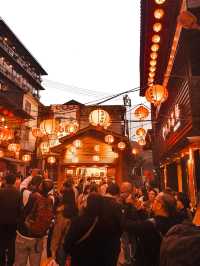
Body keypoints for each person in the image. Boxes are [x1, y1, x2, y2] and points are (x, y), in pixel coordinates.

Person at [122, 192, 179, 266]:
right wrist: (140, 210)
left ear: (159, 205)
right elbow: (146, 222)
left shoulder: (151, 225)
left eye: (155, 200)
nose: (153, 202)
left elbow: (125, 224)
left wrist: (128, 204)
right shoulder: (173, 222)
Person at [15, 179, 54, 266]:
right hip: (39, 237)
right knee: (35, 263)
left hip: (24, 235)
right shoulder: (51, 200)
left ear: (40, 186)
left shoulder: (32, 196)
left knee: (20, 263)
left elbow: (24, 214)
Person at [0, 174, 21, 266]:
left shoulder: (1, 192)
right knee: (11, 243)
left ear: (5, 181)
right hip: (13, 222)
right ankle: (10, 262)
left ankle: (1, 262)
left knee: (1, 242)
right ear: (14, 181)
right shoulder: (18, 193)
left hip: (1, 221)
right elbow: (20, 209)